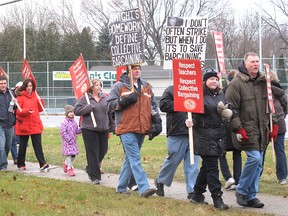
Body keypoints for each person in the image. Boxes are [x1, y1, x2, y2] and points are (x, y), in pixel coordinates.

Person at [225, 52, 278, 208]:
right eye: (252, 62)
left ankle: (251, 196)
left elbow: (270, 106)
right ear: (245, 63)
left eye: (257, 61)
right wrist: (238, 128)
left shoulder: (264, 82)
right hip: (246, 130)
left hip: (262, 129)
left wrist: (274, 124)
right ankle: (241, 190)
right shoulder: (236, 83)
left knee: (259, 164)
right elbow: (230, 109)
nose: (256, 64)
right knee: (254, 159)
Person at [107, 64, 162, 198]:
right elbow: (109, 105)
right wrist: (123, 101)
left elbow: (152, 107)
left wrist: (157, 121)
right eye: (134, 69)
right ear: (128, 71)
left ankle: (121, 187)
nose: (137, 71)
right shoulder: (119, 86)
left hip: (141, 128)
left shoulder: (147, 87)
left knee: (129, 159)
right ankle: (144, 188)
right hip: (126, 127)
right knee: (135, 159)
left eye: (139, 69)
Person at [188, 67, 231, 210]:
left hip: (218, 136)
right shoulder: (198, 96)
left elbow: (224, 112)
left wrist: (226, 113)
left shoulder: (220, 94)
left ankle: (197, 194)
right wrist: (191, 121)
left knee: (206, 167)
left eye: (216, 79)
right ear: (205, 81)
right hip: (204, 136)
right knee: (213, 168)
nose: (214, 81)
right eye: (211, 79)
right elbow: (193, 114)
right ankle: (217, 199)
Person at [154, 85, 200, 200]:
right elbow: (163, 105)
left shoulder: (196, 91)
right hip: (176, 131)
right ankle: (161, 180)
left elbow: (200, 110)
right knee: (173, 159)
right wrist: (181, 103)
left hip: (193, 132)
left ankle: (192, 190)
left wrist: (193, 120)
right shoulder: (170, 89)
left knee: (193, 162)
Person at [74, 78, 110, 185]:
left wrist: (111, 125)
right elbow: (76, 110)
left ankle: (90, 167)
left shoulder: (105, 97)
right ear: (92, 87)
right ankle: (95, 177)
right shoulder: (85, 98)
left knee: (103, 149)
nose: (99, 87)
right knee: (92, 152)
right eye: (97, 85)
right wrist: (87, 108)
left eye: (100, 85)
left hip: (103, 128)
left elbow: (109, 112)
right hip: (89, 129)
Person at [15, 78, 49, 171]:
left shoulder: (35, 96)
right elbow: (18, 111)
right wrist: (27, 111)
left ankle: (43, 164)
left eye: (31, 86)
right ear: (24, 87)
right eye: (27, 86)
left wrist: (40, 100)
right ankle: (21, 164)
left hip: (35, 124)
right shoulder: (20, 97)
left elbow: (40, 109)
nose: (29, 88)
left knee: (38, 145)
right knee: (22, 146)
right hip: (24, 125)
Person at [219, 69, 242, 190]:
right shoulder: (241, 91)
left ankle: (229, 178)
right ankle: (238, 180)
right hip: (236, 126)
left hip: (225, 127)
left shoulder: (223, 93)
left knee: (221, 153)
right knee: (237, 153)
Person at [267, 71, 287, 185]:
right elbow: (286, 105)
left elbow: (285, 105)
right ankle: (282, 177)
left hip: (276, 123)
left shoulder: (273, 91)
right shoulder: (280, 91)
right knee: (279, 150)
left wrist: (281, 116)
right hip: (277, 122)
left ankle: (282, 176)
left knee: (276, 150)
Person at [0, 75, 16, 171]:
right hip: (0, 124)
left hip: (10, 124)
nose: (3, 85)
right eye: (1, 83)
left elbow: (14, 109)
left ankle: (2, 161)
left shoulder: (10, 93)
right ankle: (3, 166)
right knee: (1, 145)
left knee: (8, 146)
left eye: (4, 83)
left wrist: (14, 102)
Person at [60, 105, 82, 176]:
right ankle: (70, 168)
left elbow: (76, 131)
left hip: (73, 142)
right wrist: (68, 138)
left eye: (72, 112)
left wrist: (81, 129)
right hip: (67, 142)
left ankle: (66, 163)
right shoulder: (64, 123)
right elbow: (63, 132)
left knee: (73, 155)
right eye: (70, 112)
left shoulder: (74, 122)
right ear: (67, 113)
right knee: (69, 155)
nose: (72, 113)